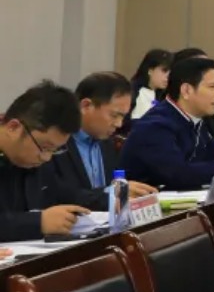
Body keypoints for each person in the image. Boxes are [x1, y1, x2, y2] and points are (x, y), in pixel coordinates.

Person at [120, 53, 214, 188]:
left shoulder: (194, 121)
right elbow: (178, 174)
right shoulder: (156, 125)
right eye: (212, 87)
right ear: (186, 90)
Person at [38, 72, 158, 208]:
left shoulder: (109, 143)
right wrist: (110, 195)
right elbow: (57, 195)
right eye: (114, 115)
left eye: (123, 117)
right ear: (86, 106)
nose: (119, 124)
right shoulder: (54, 142)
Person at [0, 82, 93, 241]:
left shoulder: (31, 159)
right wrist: (38, 222)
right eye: (45, 147)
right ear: (13, 127)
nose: (46, 158)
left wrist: (110, 195)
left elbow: (65, 194)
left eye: (55, 150)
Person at [129, 48, 173, 121]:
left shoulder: (164, 97)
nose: (168, 77)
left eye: (170, 73)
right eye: (164, 71)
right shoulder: (135, 93)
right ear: (150, 70)